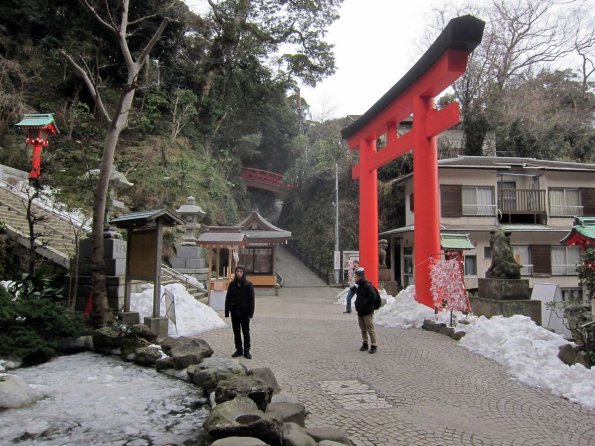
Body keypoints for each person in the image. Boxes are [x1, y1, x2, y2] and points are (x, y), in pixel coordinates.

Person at [224, 265, 255, 359]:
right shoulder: (232, 284)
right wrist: (227, 311)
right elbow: (228, 298)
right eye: (237, 272)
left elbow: (252, 300)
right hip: (234, 312)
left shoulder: (248, 285)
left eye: (241, 272)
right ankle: (239, 349)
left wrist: (250, 313)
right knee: (236, 331)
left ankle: (247, 350)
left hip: (245, 312)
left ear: (243, 273)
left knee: (246, 332)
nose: (239, 273)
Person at [353, 266, 378, 354]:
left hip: (367, 311)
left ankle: (374, 345)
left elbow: (373, 297)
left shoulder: (367, 285)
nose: (354, 278)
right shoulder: (359, 286)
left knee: (370, 329)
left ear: (360, 277)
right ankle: (365, 343)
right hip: (360, 311)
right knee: (363, 329)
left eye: (356, 277)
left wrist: (364, 302)